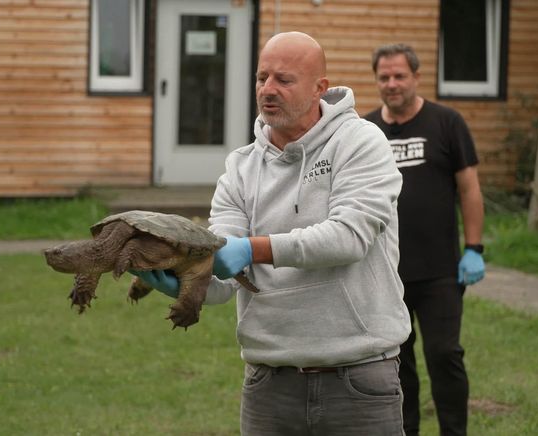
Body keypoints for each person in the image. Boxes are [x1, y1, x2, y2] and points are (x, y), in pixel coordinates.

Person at [132, 32, 411, 435]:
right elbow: (225, 281)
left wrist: (252, 249)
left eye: (284, 79)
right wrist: (180, 281)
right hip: (270, 385)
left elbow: (349, 237)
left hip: (359, 379)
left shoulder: (362, 143)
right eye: (262, 78)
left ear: (320, 88)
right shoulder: (241, 169)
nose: (268, 89)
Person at [364, 43, 485, 436]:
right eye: (384, 77)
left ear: (416, 76)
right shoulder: (365, 132)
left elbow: (469, 189)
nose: (392, 83)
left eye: (400, 75)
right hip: (384, 273)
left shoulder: (447, 123)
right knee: (397, 363)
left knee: (444, 353)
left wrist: (474, 249)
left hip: (440, 272)